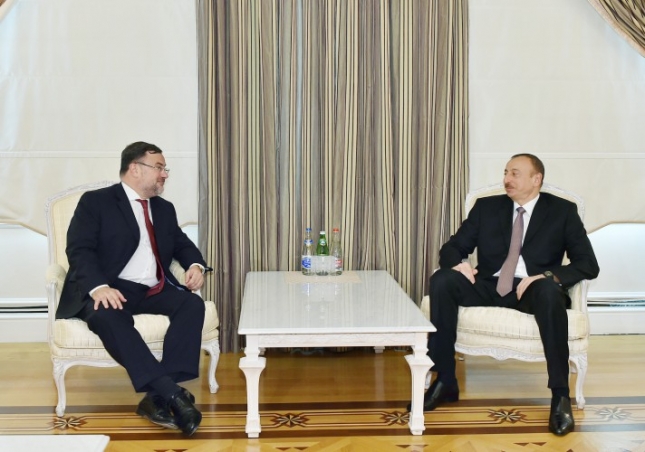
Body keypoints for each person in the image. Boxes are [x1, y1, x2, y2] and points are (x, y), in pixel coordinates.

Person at [420, 153, 599, 436]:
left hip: (531, 288)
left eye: (514, 173)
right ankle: (445, 381)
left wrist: (547, 276)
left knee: (549, 292)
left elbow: (588, 264)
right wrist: (458, 264)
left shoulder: (562, 211)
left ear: (536, 179)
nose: (506, 179)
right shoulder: (486, 207)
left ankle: (560, 396)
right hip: (488, 283)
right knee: (442, 280)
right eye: (505, 172)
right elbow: (452, 247)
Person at [57, 141, 210, 435]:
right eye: (159, 167)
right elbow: (79, 249)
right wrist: (98, 287)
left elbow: (182, 244)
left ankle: (157, 397)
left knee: (192, 304)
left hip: (152, 290)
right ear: (135, 169)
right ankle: (173, 394)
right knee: (107, 316)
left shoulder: (164, 209)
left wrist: (195, 266)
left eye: (165, 168)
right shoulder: (97, 202)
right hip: (110, 287)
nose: (165, 174)